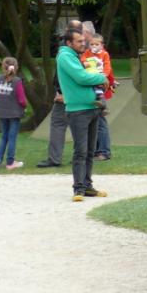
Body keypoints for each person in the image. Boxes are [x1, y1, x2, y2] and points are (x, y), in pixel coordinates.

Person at [57, 27, 110, 202]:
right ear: (69, 43)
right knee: (80, 150)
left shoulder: (77, 56)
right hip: (78, 110)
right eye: (79, 41)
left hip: (92, 107)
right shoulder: (65, 56)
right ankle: (78, 189)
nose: (83, 43)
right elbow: (81, 77)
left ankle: (87, 186)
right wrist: (102, 79)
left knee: (89, 151)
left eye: (83, 40)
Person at [37, 19, 85, 168]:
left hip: (67, 97)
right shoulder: (80, 51)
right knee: (80, 128)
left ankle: (56, 158)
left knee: (59, 125)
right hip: (77, 97)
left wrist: (62, 94)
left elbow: (70, 76)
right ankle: (81, 157)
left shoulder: (65, 53)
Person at [0, 56, 27, 170]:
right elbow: (21, 99)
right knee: (12, 137)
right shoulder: (17, 81)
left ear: (2, 67)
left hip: (0, 112)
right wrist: (24, 106)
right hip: (14, 113)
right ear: (16, 67)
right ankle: (10, 162)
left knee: (4, 136)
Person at [86, 34, 117, 160]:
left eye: (96, 44)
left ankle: (104, 151)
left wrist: (102, 76)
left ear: (102, 45)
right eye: (91, 44)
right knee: (94, 122)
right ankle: (95, 150)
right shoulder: (87, 54)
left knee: (100, 121)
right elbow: (83, 63)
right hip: (91, 81)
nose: (94, 46)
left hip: (99, 81)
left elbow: (108, 68)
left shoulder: (104, 54)